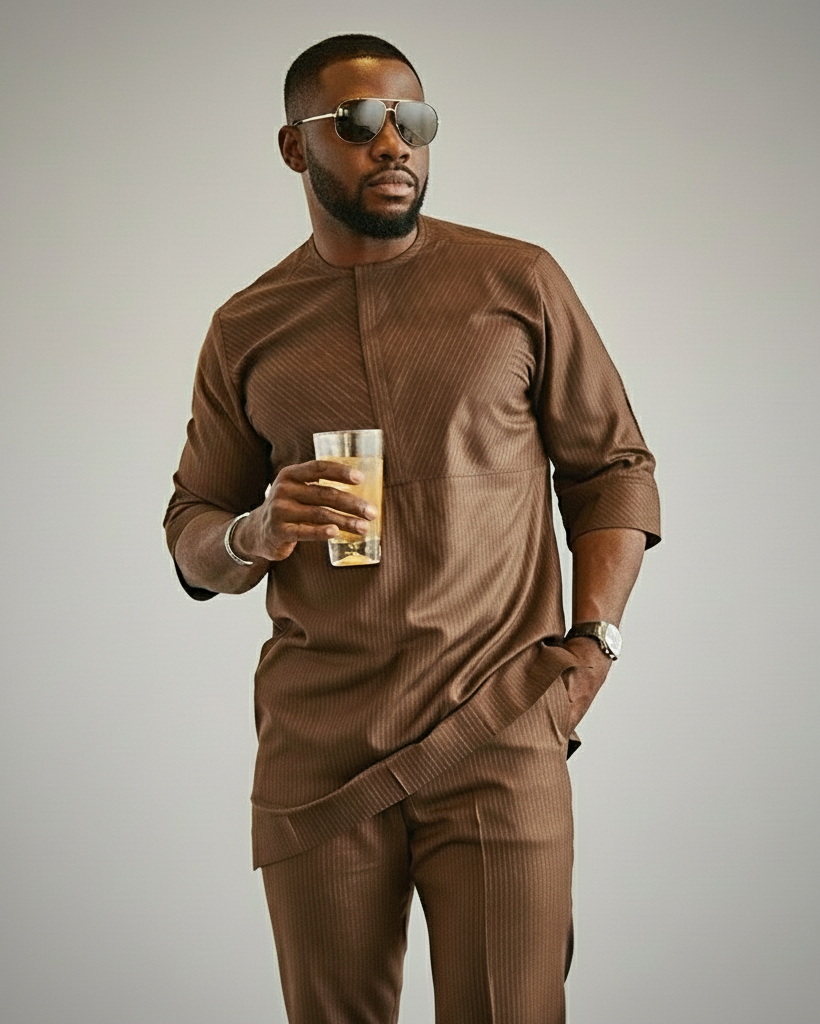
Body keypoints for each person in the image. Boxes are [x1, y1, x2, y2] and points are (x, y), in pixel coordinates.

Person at [164, 32, 661, 1024]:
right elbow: (192, 527)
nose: (392, 143)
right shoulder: (246, 325)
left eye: (413, 121)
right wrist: (253, 533)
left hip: (499, 725)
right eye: (356, 123)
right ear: (293, 148)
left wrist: (592, 647)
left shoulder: (518, 281)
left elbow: (612, 470)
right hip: (319, 751)